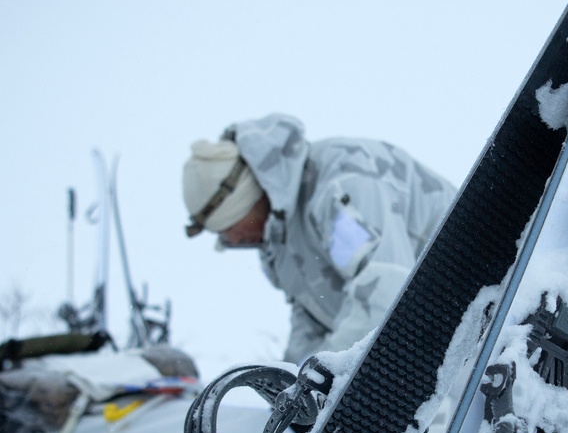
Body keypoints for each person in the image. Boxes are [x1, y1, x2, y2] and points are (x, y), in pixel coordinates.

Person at [182, 114, 455, 364]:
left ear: (248, 196)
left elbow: (385, 295)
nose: (232, 239)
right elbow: (311, 323)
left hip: (480, 327)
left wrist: (317, 385)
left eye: (230, 225)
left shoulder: (338, 186)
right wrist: (289, 384)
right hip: (434, 352)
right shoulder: (281, 243)